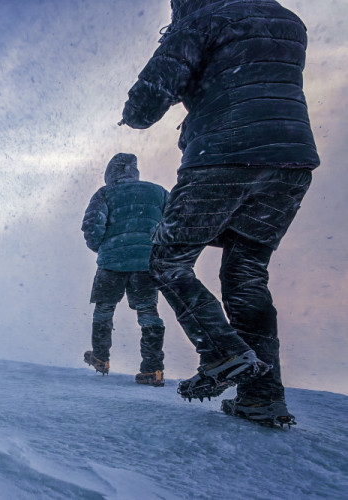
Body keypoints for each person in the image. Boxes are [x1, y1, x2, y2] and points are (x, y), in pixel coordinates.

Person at [120, 0, 319, 426]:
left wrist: (141, 104)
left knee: (167, 259)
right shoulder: (289, 21)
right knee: (246, 275)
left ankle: (221, 351)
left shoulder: (203, 20)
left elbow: (144, 107)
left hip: (224, 153)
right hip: (293, 159)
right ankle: (262, 397)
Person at [81, 153, 169, 387]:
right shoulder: (158, 192)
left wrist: (102, 247)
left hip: (113, 261)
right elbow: (175, 223)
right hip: (147, 262)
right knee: (148, 311)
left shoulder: (105, 193)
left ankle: (100, 357)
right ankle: (153, 369)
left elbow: (92, 227)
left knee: (104, 308)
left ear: (111, 174)